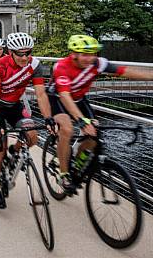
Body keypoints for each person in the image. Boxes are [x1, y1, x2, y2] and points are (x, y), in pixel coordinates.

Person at [48, 35, 153, 195]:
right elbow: (65, 96)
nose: (90, 59)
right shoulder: (61, 67)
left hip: (79, 99)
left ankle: (77, 164)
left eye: (93, 54)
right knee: (67, 129)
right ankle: (63, 174)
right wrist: (82, 121)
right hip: (59, 99)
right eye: (85, 54)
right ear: (73, 54)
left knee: (94, 135)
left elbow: (125, 71)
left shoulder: (98, 64)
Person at [0, 32, 56, 209]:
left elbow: (40, 94)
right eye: (20, 54)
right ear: (10, 52)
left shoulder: (34, 65)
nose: (25, 57)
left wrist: (48, 118)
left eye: (28, 52)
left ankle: (15, 150)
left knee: (32, 137)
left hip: (15, 105)